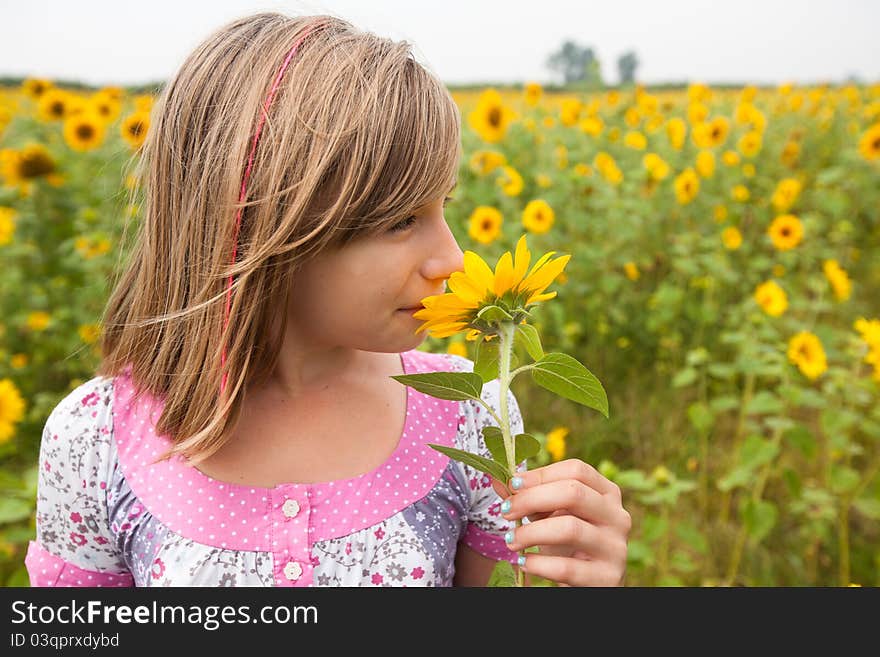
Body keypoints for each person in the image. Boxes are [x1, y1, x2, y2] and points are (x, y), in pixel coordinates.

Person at [24, 11, 630, 588]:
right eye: (399, 220)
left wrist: (576, 583)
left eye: (442, 206)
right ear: (262, 227)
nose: (451, 260)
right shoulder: (98, 440)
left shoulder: (469, 413)